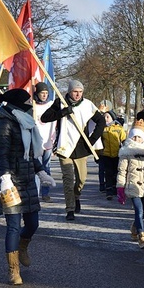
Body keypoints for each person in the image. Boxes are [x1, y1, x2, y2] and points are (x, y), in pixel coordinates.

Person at [0, 89, 56, 285]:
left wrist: (41, 171)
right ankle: (13, 270)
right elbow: (1, 155)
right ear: (18, 102)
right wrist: (4, 177)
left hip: (27, 179)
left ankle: (22, 246)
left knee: (33, 224)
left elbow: (30, 153)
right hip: (9, 181)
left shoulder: (25, 121)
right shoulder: (4, 124)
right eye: (27, 99)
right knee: (13, 226)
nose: (30, 101)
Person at [41, 79, 106, 221]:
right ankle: (69, 208)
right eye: (75, 92)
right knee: (68, 179)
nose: (78, 95)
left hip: (81, 147)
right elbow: (45, 118)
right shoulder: (61, 102)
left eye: (80, 92)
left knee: (81, 179)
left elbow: (101, 121)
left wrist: (92, 140)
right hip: (64, 147)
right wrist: (63, 112)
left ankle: (76, 196)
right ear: (69, 92)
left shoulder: (88, 105)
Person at [117, 119, 144, 249]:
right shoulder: (126, 153)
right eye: (134, 136)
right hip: (133, 187)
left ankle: (135, 226)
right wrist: (120, 187)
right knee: (139, 210)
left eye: (139, 137)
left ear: (143, 138)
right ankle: (142, 235)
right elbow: (121, 171)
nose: (136, 139)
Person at [32, 82, 56, 202]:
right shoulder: (32, 106)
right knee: (38, 169)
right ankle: (36, 193)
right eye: (42, 93)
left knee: (47, 168)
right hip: (36, 143)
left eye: (46, 93)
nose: (44, 95)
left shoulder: (51, 105)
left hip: (48, 141)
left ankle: (45, 193)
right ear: (37, 93)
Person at [100, 110, 126, 201]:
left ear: (112, 118)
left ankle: (116, 188)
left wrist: (125, 150)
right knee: (108, 172)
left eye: (107, 117)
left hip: (117, 154)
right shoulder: (102, 128)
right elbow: (98, 141)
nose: (105, 119)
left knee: (117, 172)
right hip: (106, 154)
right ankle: (109, 191)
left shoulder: (118, 128)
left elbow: (124, 139)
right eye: (104, 117)